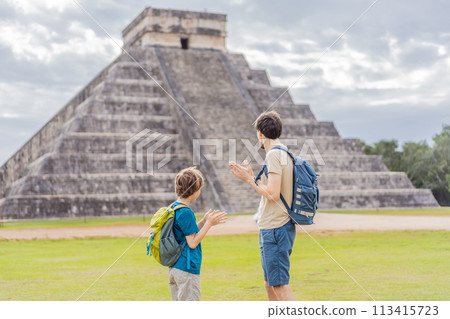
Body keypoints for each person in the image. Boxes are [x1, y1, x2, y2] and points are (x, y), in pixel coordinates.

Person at [229, 111, 296, 301]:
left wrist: (249, 179)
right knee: (270, 285)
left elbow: (273, 194)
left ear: (260, 133)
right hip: (273, 226)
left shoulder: (274, 155)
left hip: (276, 227)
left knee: (279, 286)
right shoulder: (284, 151)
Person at [169, 166, 228, 301]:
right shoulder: (186, 212)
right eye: (199, 189)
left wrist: (203, 221)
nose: (200, 192)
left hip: (175, 268)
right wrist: (209, 224)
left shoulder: (174, 207)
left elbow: (186, 232)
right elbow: (192, 242)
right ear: (193, 190)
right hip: (187, 268)